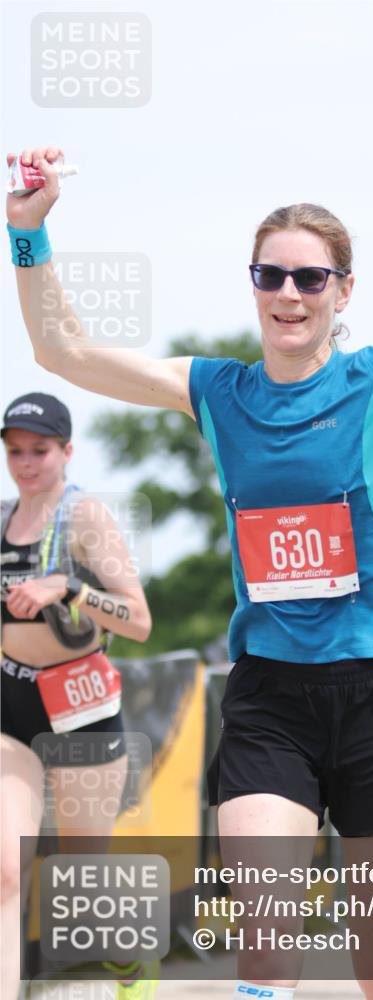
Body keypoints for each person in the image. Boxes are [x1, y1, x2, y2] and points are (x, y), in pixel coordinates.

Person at [6, 66, 373, 1000]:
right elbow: (61, 353)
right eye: (271, 275)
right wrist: (28, 233)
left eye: (311, 277)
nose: (290, 293)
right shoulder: (217, 391)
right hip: (272, 694)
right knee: (267, 943)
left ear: (342, 289)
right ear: (255, 286)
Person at [0, 393, 153, 999]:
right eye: (15, 452)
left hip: (81, 706)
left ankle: (126, 965)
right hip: (12, 706)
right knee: (7, 871)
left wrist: (68, 588)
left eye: (40, 451)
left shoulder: (84, 516)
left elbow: (139, 620)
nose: (26, 463)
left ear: (67, 451)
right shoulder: (3, 518)